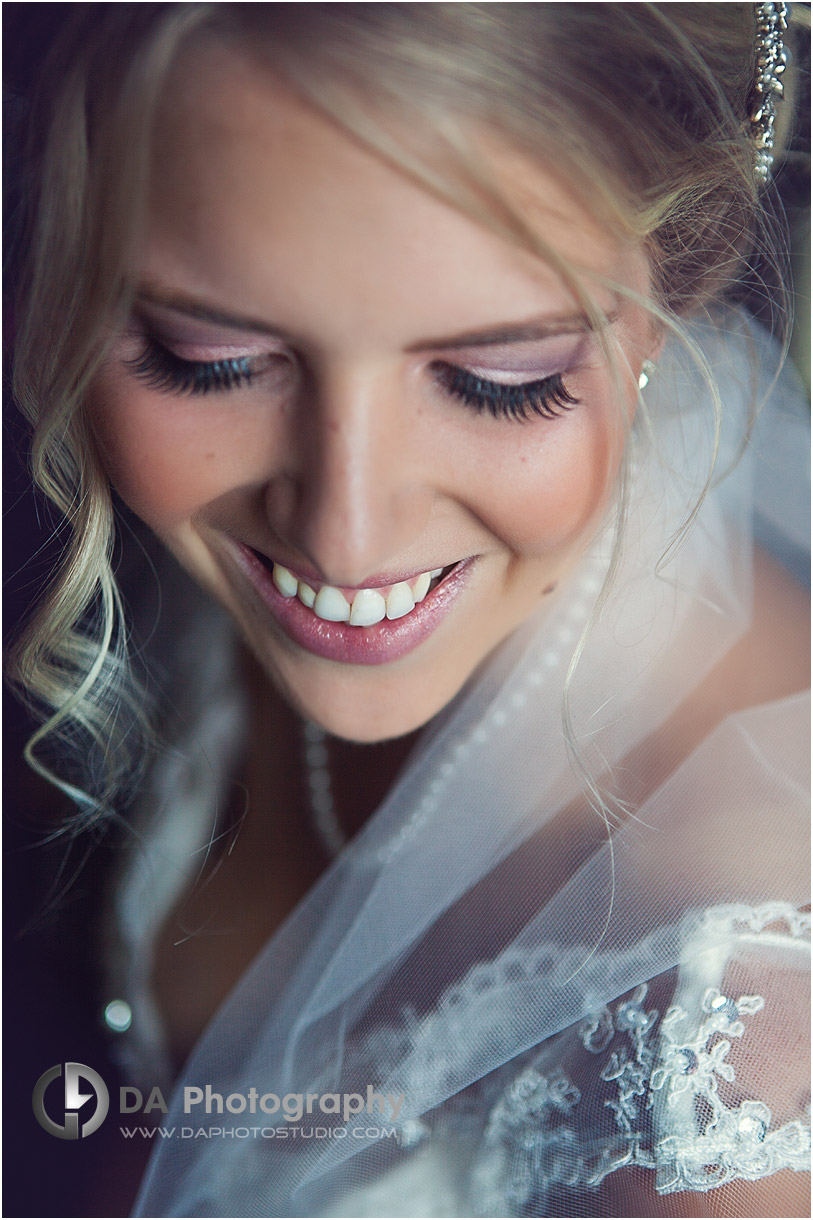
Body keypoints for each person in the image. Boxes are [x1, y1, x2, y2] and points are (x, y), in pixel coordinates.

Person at [6, 3, 810, 1216]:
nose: (345, 533)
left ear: (677, 282)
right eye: (207, 358)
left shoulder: (734, 1062)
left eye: (501, 382)